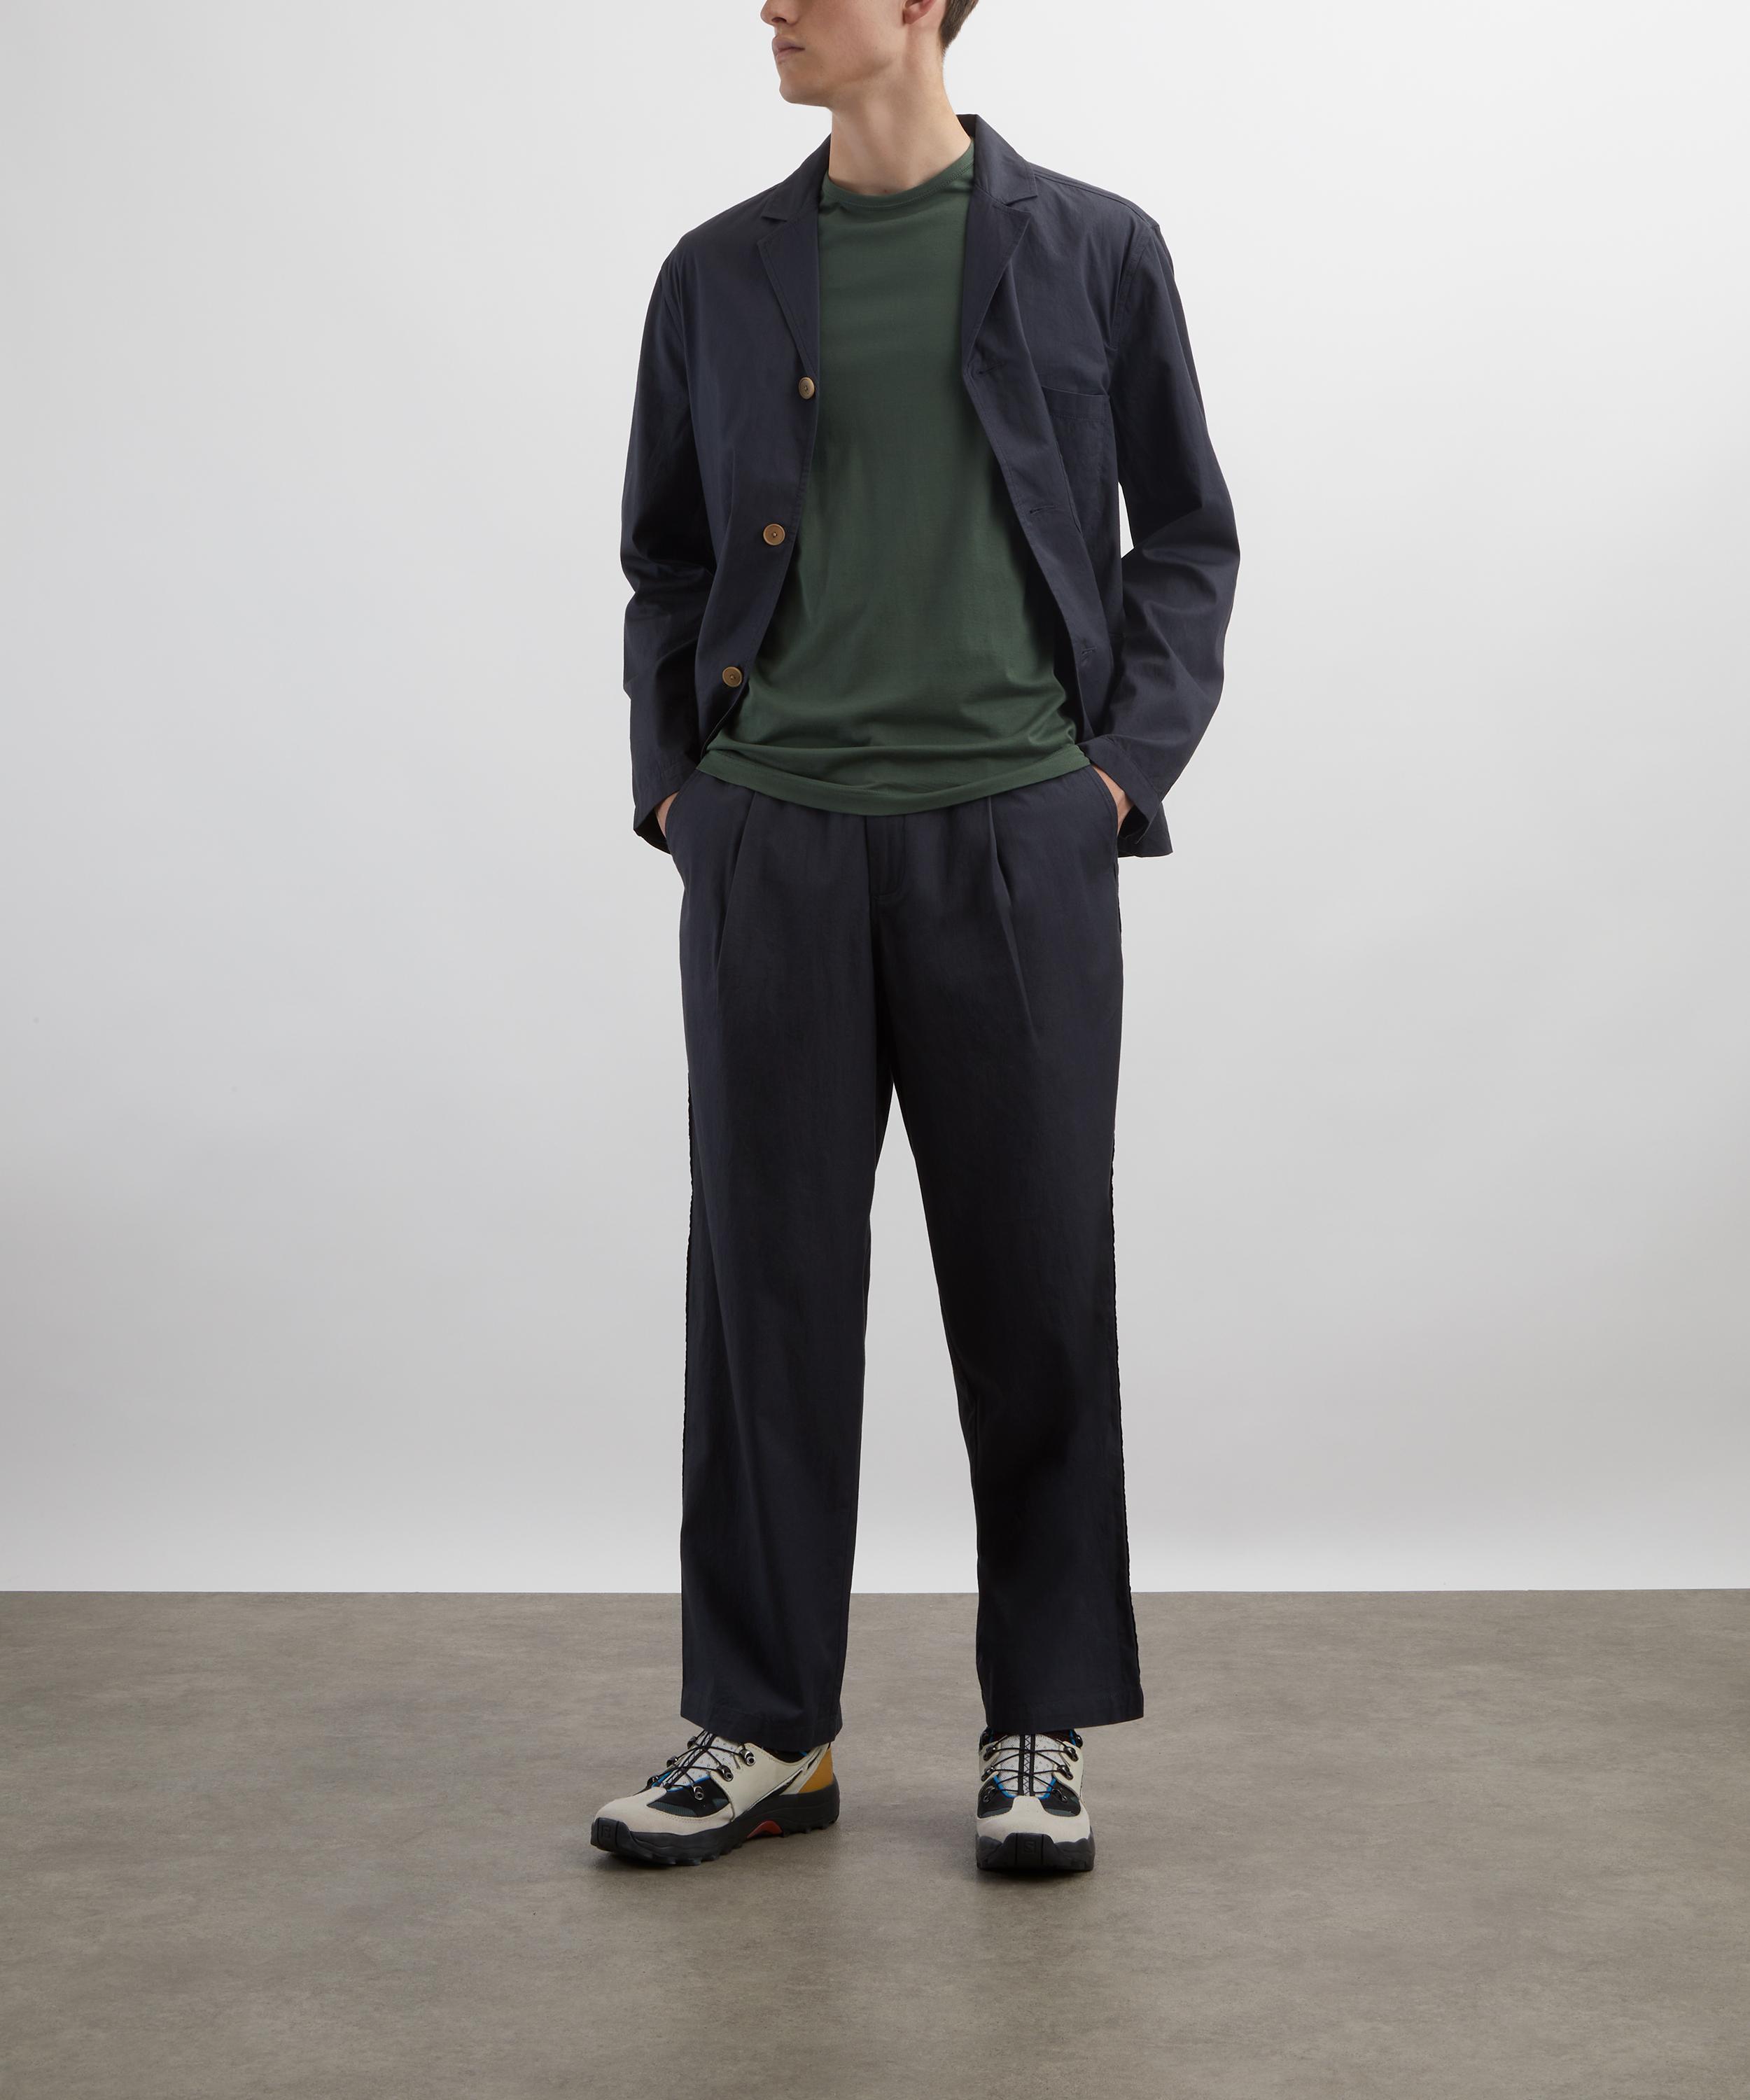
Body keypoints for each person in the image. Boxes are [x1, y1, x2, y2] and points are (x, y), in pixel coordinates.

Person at [592, 0, 1239, 1874]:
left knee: (1035, 1286)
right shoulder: (714, 275)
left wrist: (1110, 776)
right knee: (764, 1295)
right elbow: (665, 559)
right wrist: (680, 791)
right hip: (772, 845)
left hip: (1016, 842)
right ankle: (763, 1728)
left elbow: (1185, 538)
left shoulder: (1096, 250)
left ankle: (1039, 1722)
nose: (771, 6)